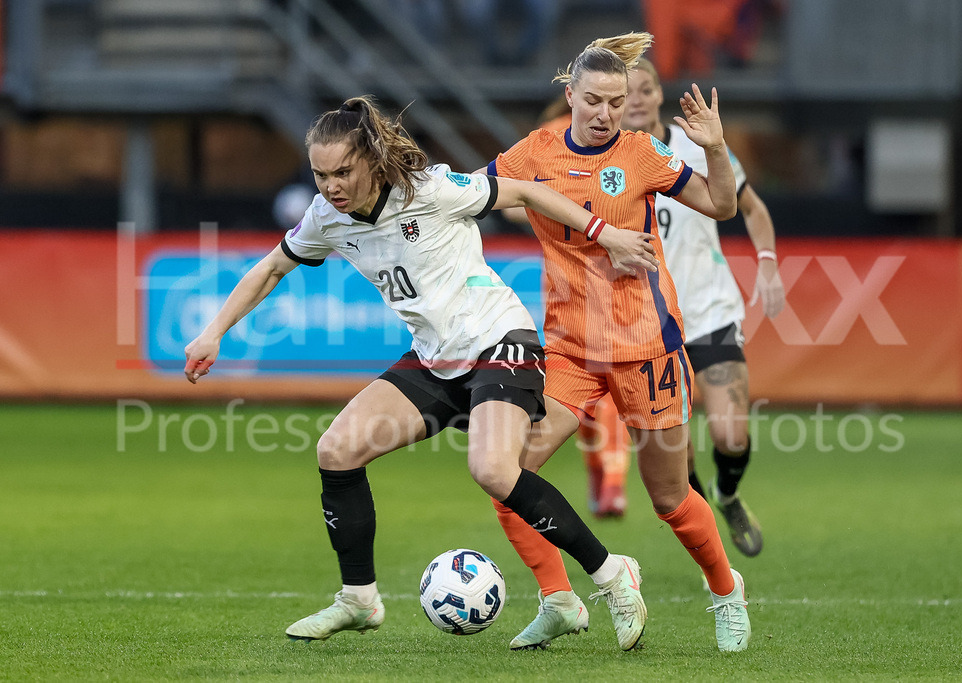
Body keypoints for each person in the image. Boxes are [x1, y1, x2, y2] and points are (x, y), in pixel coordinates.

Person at [183, 96, 659, 645]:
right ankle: (359, 599)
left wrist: (605, 233)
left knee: (493, 470)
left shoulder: (428, 190)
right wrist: (214, 332)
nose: (332, 186)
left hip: (499, 339)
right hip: (435, 358)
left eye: (343, 172)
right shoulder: (326, 217)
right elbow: (271, 268)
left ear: (370, 160)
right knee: (336, 451)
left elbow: (526, 191)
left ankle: (612, 574)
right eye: (320, 175)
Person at [478, 32, 752, 653]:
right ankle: (558, 600)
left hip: (646, 347)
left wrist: (714, 148)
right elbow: (474, 192)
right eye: (594, 100)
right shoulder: (537, 150)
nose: (605, 113)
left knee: (670, 499)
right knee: (506, 474)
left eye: (616, 101)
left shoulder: (642, 152)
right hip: (570, 350)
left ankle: (725, 590)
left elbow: (722, 205)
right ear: (570, 94)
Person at [582, 57, 785, 559]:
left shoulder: (695, 146)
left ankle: (728, 494)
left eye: (645, 89)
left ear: (659, 96)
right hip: (649, 325)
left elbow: (750, 208)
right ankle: (707, 538)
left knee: (731, 435)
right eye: (625, 92)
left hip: (710, 311)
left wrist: (767, 263)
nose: (636, 99)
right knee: (678, 457)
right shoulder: (601, 161)